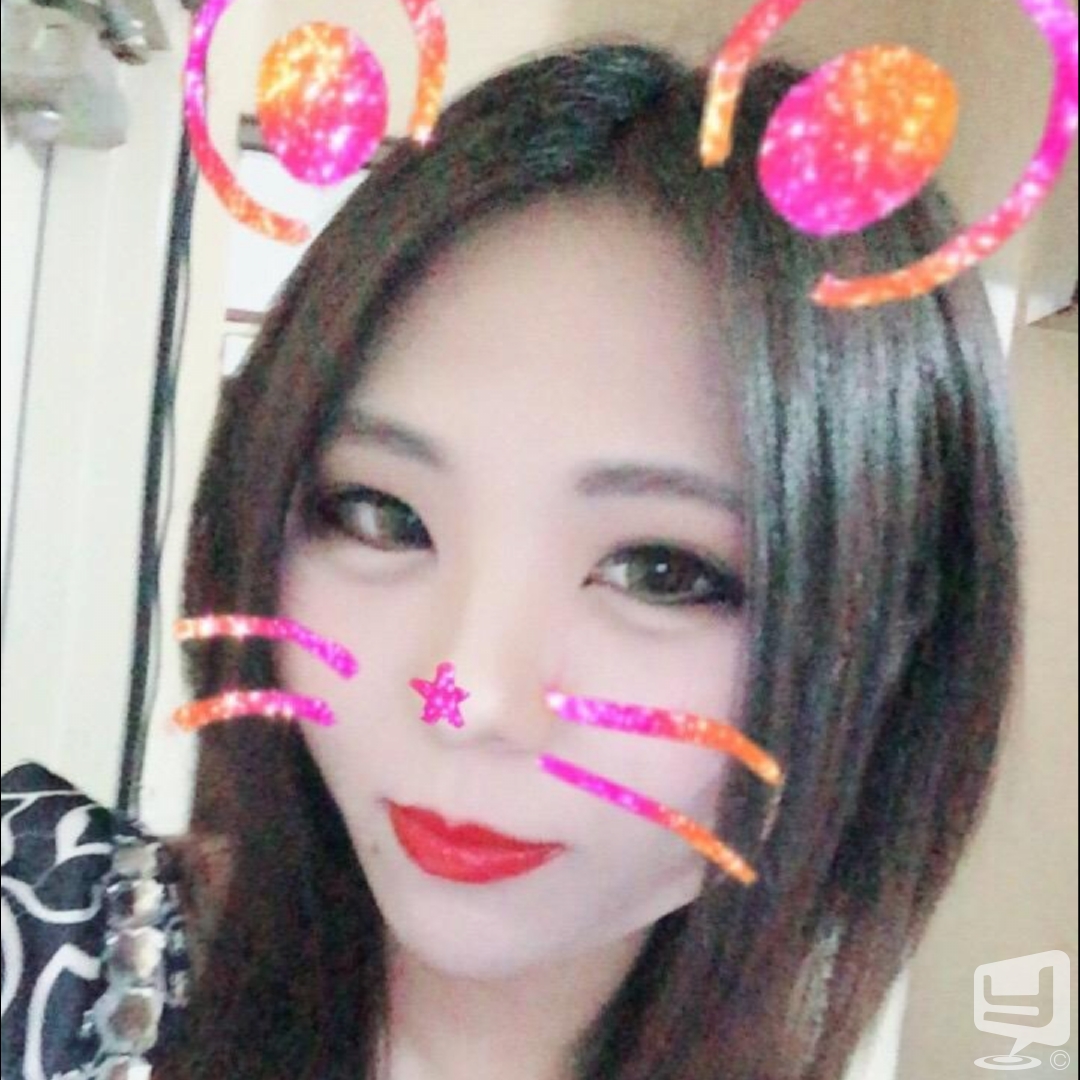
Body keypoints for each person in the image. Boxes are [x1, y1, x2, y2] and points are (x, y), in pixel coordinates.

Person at [2, 42, 1021, 1080]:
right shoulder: (38, 948)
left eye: (661, 571)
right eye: (383, 517)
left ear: (897, 642)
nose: (467, 698)